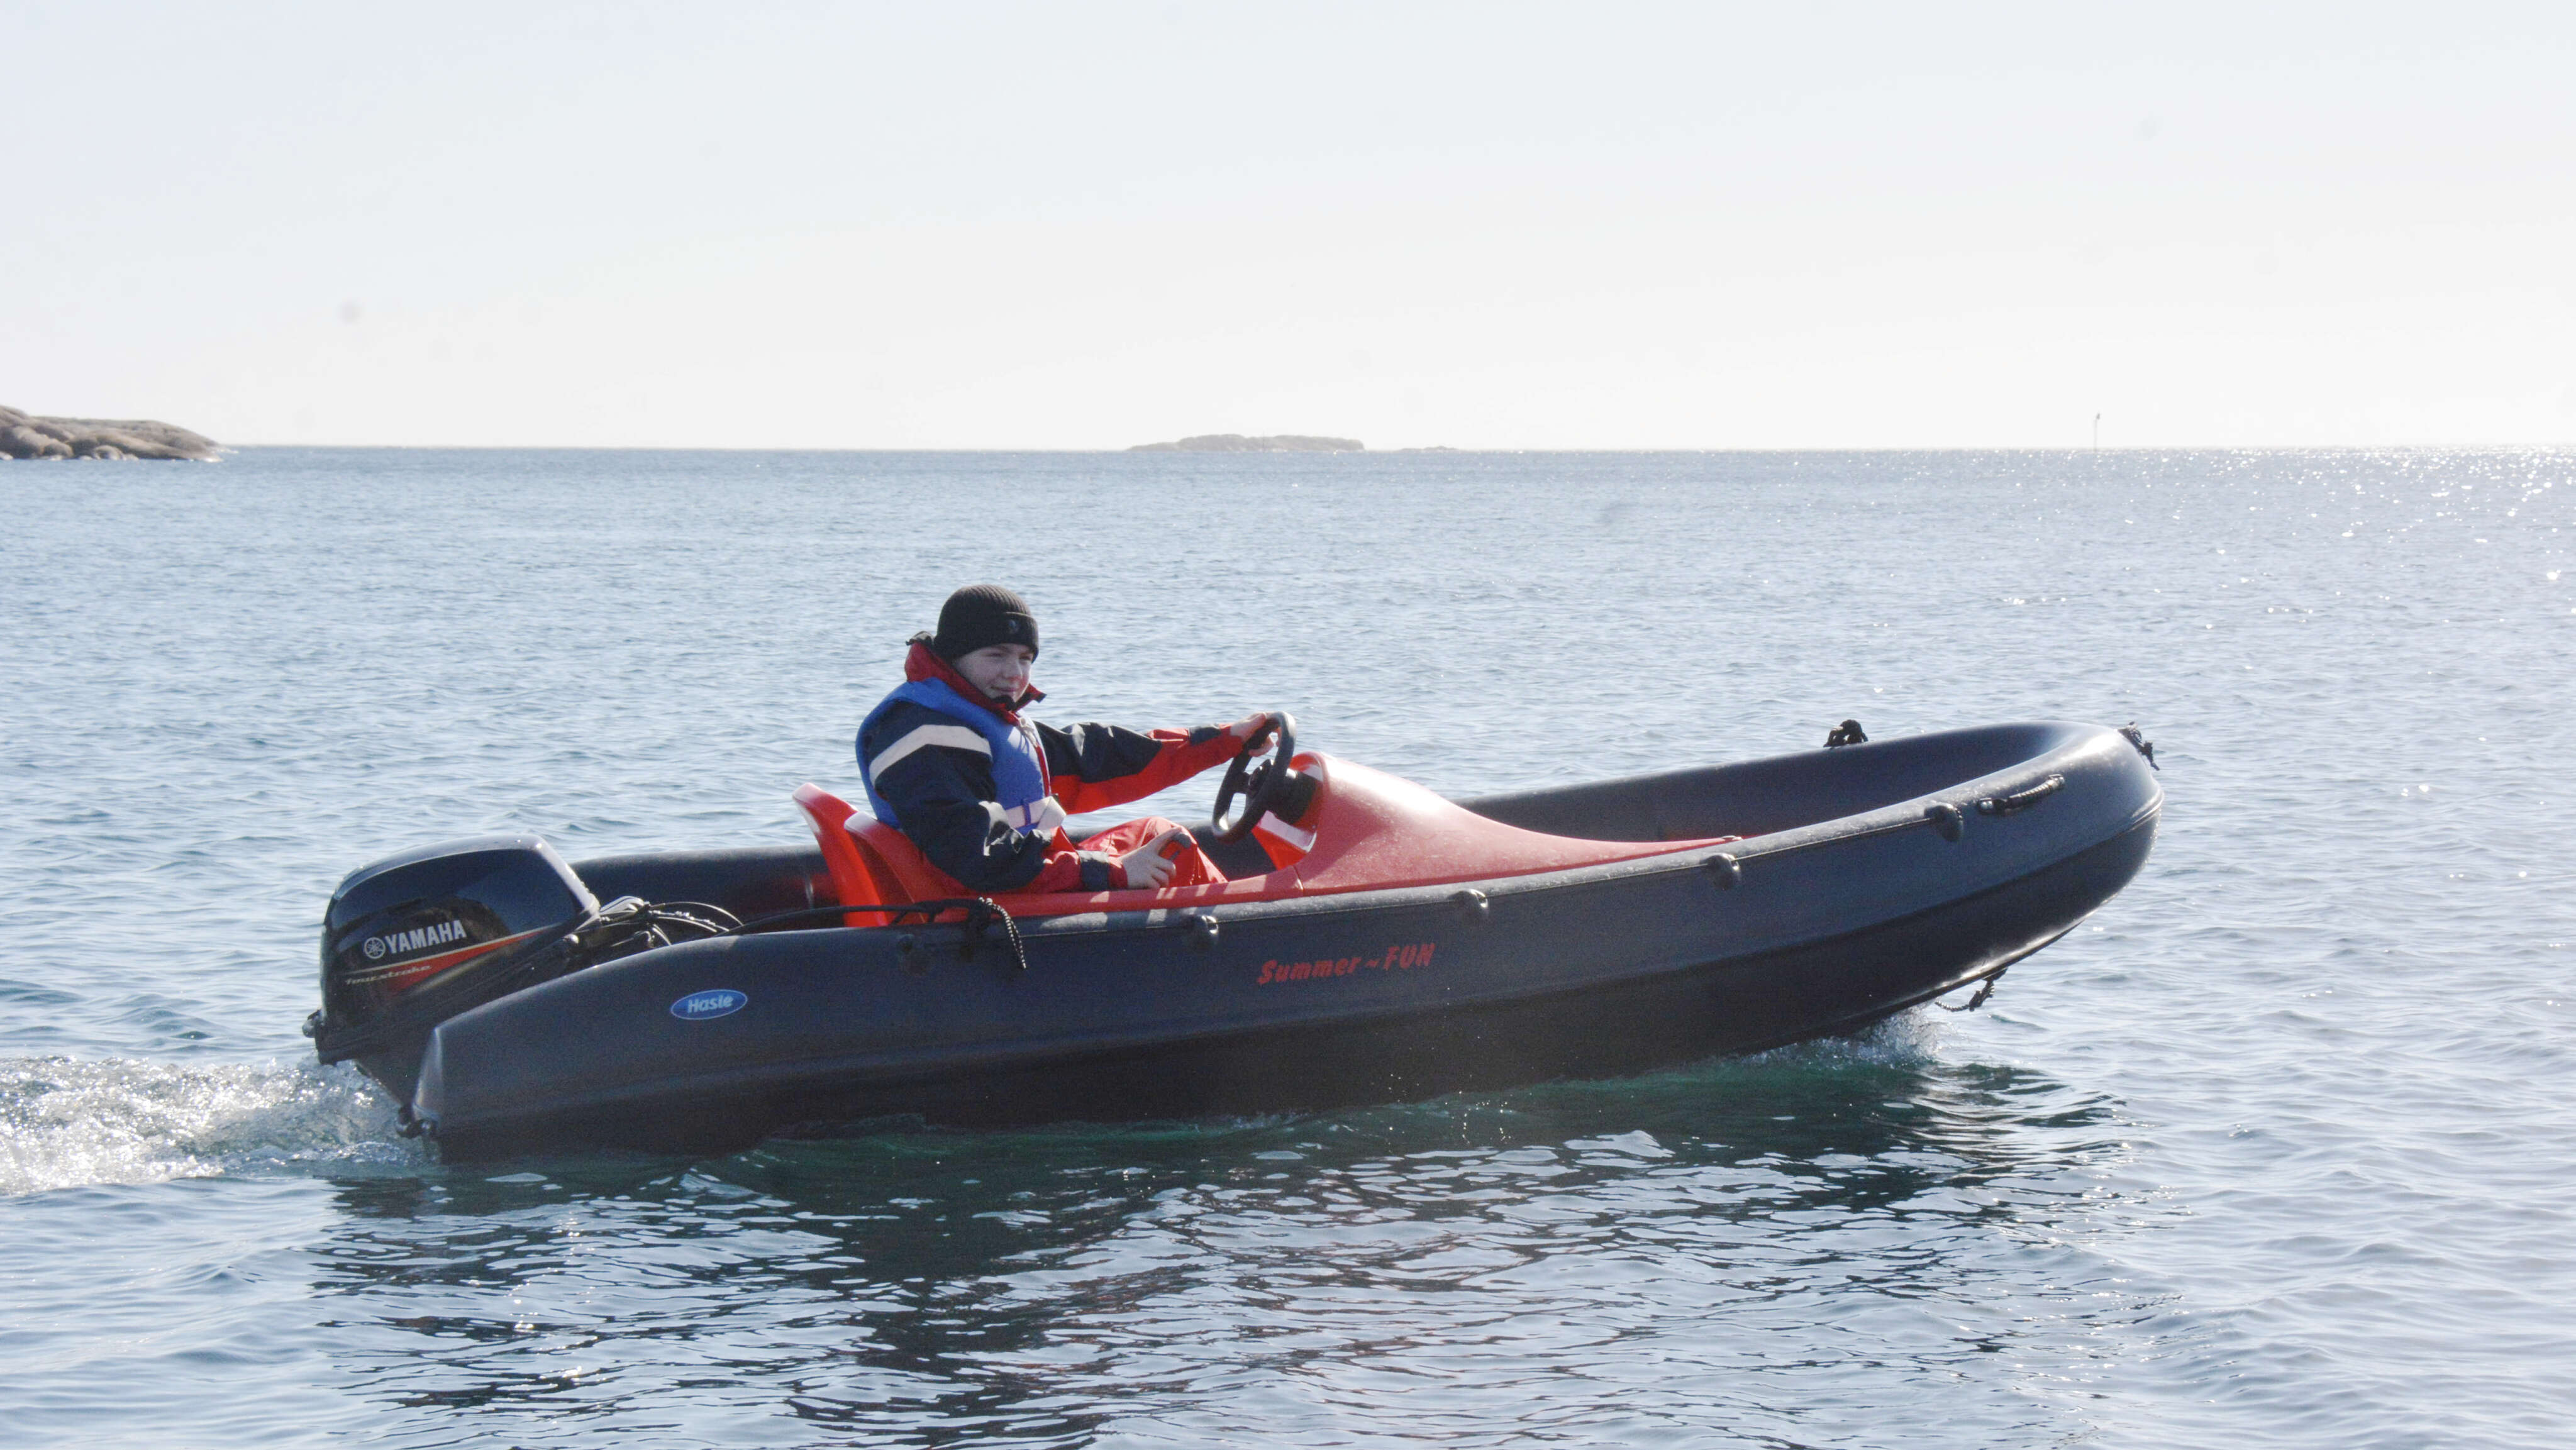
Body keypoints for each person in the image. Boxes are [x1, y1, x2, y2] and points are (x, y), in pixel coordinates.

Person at [857, 585, 1272, 894]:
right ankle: (1249, 952)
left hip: (1022, 882)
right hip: (991, 910)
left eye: (1025, 658)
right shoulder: (927, 738)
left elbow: (1103, 759)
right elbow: (978, 861)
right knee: (1173, 849)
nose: (1014, 673)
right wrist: (1113, 871)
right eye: (996, 655)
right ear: (953, 657)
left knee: (1158, 833)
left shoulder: (978, 718)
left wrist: (1225, 741)